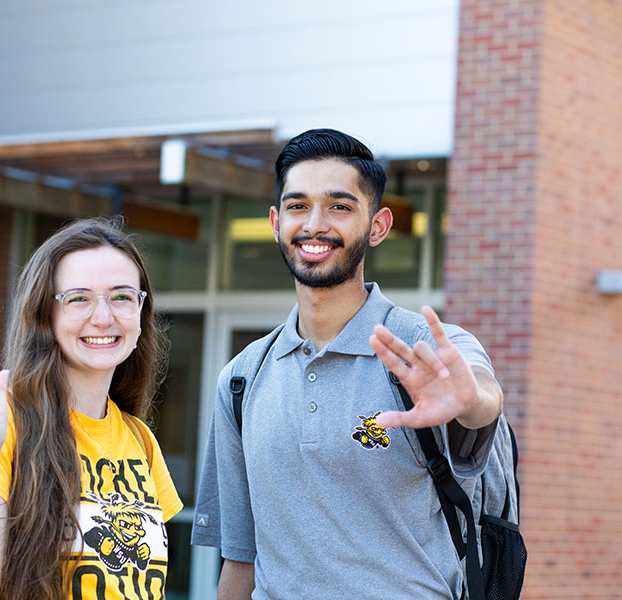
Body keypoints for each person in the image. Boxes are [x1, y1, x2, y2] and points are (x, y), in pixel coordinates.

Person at [191, 129, 503, 599]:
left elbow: (482, 396)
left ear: (377, 226)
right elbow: (241, 559)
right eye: (298, 206)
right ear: (276, 222)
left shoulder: (423, 347)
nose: (315, 224)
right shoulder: (241, 379)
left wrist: (471, 400)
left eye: (339, 206)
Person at [0, 218, 183, 600]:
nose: (103, 318)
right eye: (78, 298)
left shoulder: (140, 439)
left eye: (122, 297)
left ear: (141, 314)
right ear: (46, 315)